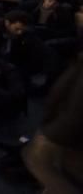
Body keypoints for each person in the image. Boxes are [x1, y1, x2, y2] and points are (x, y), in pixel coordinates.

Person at [22, 53, 83, 193]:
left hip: (65, 133)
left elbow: (77, 106)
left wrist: (52, 134)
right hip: (65, 132)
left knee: (38, 161)